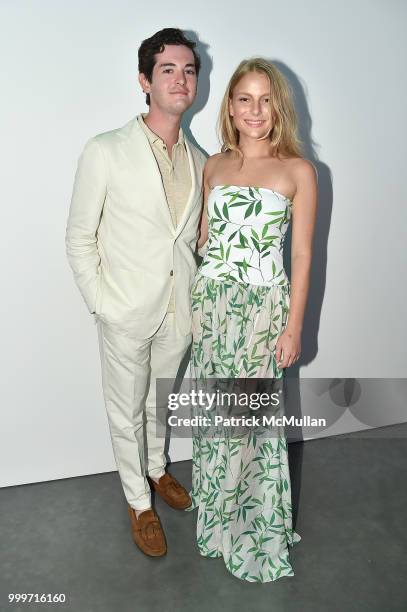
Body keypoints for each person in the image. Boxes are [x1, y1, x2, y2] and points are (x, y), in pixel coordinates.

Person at [65, 28, 207, 558]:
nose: (180, 78)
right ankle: (138, 502)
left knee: (160, 403)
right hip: (124, 308)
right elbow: (79, 237)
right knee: (124, 409)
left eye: (189, 70)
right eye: (168, 69)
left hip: (178, 310)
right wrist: (101, 303)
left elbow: (191, 240)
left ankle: (155, 470)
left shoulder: (199, 160)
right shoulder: (105, 150)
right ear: (145, 81)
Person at [186, 57, 317, 582]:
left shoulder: (297, 171)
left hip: (262, 313)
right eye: (245, 99)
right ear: (231, 107)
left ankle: (256, 531)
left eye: (265, 99)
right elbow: (202, 241)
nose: (255, 110)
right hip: (212, 309)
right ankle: (218, 522)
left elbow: (303, 256)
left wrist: (294, 327)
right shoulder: (213, 167)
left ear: (277, 107)